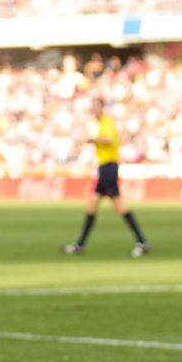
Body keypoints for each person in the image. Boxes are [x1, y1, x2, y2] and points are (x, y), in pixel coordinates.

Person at [62, 97, 150, 257]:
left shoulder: (106, 122)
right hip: (104, 168)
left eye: (96, 106)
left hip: (109, 167)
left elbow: (109, 140)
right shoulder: (102, 123)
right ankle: (80, 244)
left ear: (101, 107)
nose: (93, 110)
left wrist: (92, 139)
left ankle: (142, 241)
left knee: (120, 207)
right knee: (91, 205)